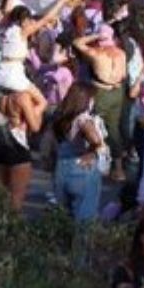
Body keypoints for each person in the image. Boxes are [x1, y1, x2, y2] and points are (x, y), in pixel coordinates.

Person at [74, 23, 129, 183]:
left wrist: (95, 35)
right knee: (113, 128)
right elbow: (124, 74)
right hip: (117, 91)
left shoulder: (97, 53)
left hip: (101, 91)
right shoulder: (121, 53)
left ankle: (96, 164)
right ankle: (118, 169)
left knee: (93, 126)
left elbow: (77, 43)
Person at [0, 61, 47, 212]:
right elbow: (35, 127)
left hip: (0, 145)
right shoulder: (22, 97)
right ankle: (12, 225)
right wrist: (41, 106)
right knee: (16, 198)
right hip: (17, 145)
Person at [50, 81, 108, 223]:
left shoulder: (60, 117)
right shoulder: (83, 119)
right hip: (82, 169)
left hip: (62, 167)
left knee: (63, 218)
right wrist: (93, 152)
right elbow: (96, 140)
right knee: (84, 219)